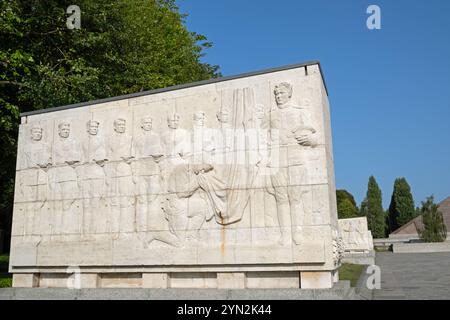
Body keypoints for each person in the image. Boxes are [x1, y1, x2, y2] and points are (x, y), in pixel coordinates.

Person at [265, 82, 317, 245]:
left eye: (281, 93)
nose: (278, 97)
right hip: (277, 160)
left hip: (295, 159)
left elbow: (315, 138)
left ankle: (297, 232)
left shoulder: (300, 113)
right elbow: (261, 135)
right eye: (276, 94)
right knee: (281, 199)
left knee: (295, 198)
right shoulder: (271, 114)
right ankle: (285, 234)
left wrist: (310, 139)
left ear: (289, 94)